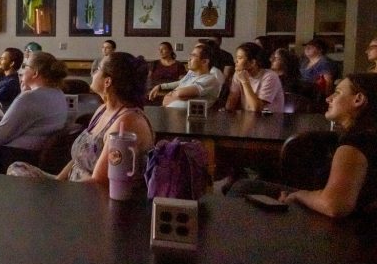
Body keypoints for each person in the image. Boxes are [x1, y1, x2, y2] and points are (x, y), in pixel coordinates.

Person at [230, 74, 377, 218]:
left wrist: (299, 196)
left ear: (358, 99)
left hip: (351, 229)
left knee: (243, 187)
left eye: (337, 92)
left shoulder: (356, 142)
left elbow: (334, 205)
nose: (328, 98)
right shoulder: (367, 135)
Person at [7, 52, 154, 189]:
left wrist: (58, 193)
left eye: (97, 69)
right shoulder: (102, 110)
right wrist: (58, 181)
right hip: (72, 186)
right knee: (17, 168)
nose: (93, 73)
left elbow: (100, 183)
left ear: (107, 81)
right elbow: (78, 159)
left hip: (88, 196)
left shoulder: (126, 122)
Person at [0, 52, 69, 173]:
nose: (21, 71)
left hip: (15, 158)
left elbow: (2, 133)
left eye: (25, 66)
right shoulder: (58, 94)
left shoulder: (30, 98)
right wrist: (23, 92)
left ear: (35, 73)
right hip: (36, 156)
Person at [148, 43, 220, 109]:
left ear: (204, 61)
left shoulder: (210, 79)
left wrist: (171, 95)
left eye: (194, 55)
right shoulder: (191, 73)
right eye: (190, 55)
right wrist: (161, 86)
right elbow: (181, 83)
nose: (189, 59)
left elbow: (181, 93)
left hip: (187, 118)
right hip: (170, 112)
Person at [225, 42, 285, 113]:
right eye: (236, 57)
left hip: (269, 120)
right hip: (248, 119)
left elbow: (256, 108)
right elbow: (230, 106)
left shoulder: (270, 77)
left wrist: (245, 81)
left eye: (240, 58)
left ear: (253, 63)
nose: (235, 61)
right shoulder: (239, 74)